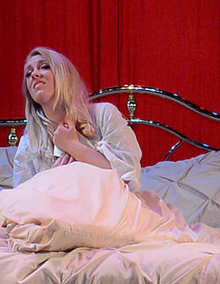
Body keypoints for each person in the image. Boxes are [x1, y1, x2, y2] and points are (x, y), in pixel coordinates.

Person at [9, 46, 142, 188]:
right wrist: (52, 182)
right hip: (53, 208)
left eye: (44, 67)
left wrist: (72, 146)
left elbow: (128, 179)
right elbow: (23, 199)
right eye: (28, 73)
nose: (34, 74)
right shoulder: (29, 143)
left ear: (64, 75)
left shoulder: (103, 115)